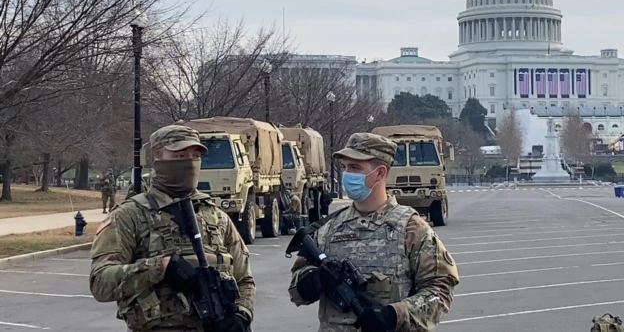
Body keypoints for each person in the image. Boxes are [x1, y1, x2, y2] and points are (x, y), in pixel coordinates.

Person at [89, 124, 255, 332]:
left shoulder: (216, 216)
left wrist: (242, 313)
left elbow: (244, 278)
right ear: (158, 159)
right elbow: (100, 282)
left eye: (195, 156)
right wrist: (160, 268)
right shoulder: (129, 216)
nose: (190, 163)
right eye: (180, 156)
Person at [287, 132, 460, 332]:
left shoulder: (411, 229)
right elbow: (295, 289)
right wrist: (313, 280)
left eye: (356, 168)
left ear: (380, 173)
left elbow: (440, 290)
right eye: (346, 167)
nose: (347, 175)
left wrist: (395, 314)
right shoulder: (328, 229)